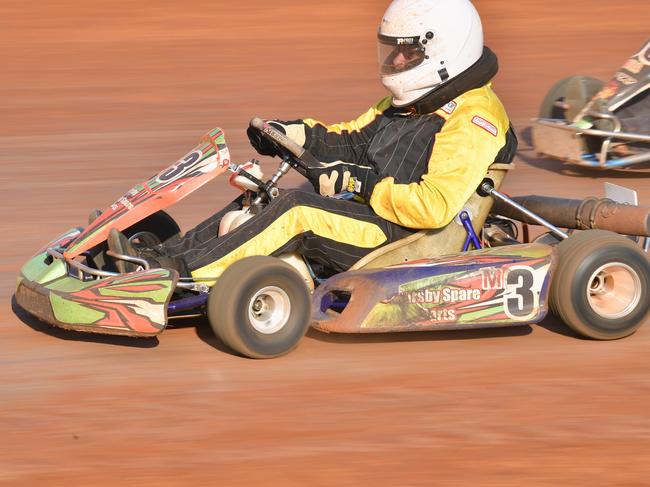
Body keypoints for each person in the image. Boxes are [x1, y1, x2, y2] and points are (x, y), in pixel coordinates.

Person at [108, 0, 517, 281]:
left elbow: (434, 207)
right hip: (373, 217)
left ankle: (173, 276)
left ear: (442, 52)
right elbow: (351, 140)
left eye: (405, 54)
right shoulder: (412, 103)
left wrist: (362, 183)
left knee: (296, 209)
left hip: (409, 238)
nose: (393, 62)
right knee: (260, 196)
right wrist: (290, 133)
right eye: (391, 51)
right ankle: (160, 258)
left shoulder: (473, 118)